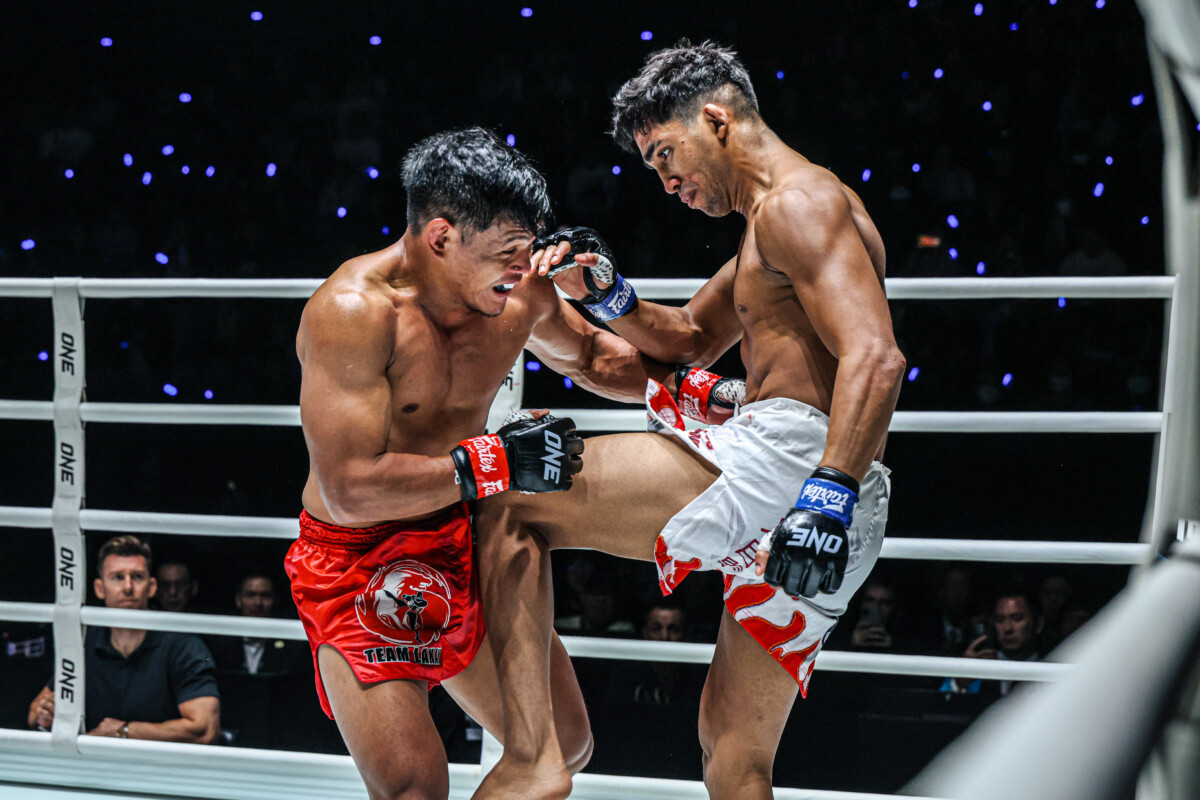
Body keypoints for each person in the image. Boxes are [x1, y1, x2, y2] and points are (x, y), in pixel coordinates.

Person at [474, 40, 904, 799]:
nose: (667, 182)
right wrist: (605, 292)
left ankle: (535, 755)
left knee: (513, 501)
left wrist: (826, 490)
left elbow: (876, 355)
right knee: (732, 757)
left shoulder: (798, 205)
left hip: (796, 469)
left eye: (666, 154)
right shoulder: (777, 217)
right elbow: (691, 338)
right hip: (827, 489)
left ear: (716, 118)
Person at [286, 127, 690, 800]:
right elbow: (351, 488)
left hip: (459, 537)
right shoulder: (353, 312)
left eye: (527, 248)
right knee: (414, 787)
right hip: (358, 557)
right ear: (441, 237)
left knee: (563, 745)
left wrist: (699, 389)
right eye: (506, 251)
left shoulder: (519, 292)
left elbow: (595, 360)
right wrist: (495, 461)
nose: (521, 267)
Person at [26, 535, 220, 744]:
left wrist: (125, 731)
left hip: (160, 763)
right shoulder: (83, 642)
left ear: (152, 587)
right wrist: (45, 716)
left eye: (137, 577)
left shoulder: (185, 645)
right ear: (100, 589)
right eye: (118, 577)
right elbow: (35, 713)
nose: (128, 587)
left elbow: (206, 729)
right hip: (94, 761)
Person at [208, 574, 308, 676]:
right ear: (238, 600)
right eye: (251, 595)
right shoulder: (221, 643)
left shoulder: (292, 647)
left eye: (266, 596)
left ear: (276, 601)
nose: (258, 603)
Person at [955, 590, 1044, 698]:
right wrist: (960, 682)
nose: (1007, 628)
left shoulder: (1053, 671)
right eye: (1000, 620)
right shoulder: (980, 668)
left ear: (1038, 625)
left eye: (1017, 619)